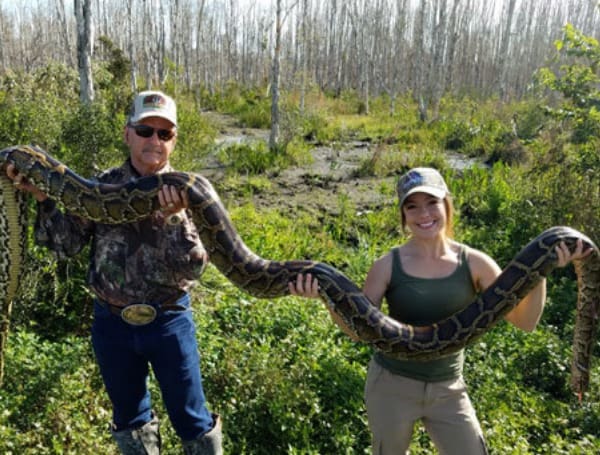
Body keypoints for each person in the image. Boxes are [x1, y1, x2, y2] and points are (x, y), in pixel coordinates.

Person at [289, 167, 590, 454]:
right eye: (412, 207)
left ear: (446, 205)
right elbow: (359, 331)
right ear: (403, 215)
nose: (424, 214)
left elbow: (525, 322)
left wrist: (539, 273)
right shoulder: (386, 266)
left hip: (449, 388)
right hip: (391, 386)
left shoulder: (474, 263)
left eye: (432, 202)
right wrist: (327, 300)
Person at [6, 91, 222, 455]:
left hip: (169, 321)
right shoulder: (99, 187)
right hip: (112, 323)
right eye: (145, 130)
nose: (154, 139)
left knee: (192, 420)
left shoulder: (193, 192)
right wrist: (44, 199)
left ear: (174, 141)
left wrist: (173, 218)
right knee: (130, 420)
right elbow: (66, 245)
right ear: (127, 134)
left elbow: (195, 266)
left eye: (164, 133)